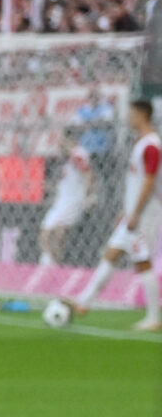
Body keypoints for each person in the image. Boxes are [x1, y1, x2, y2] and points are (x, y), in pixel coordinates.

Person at [65, 97, 161, 329]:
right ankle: (84, 301)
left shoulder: (151, 145)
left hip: (146, 212)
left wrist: (136, 212)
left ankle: (153, 317)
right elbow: (137, 183)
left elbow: (150, 181)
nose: (128, 118)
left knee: (142, 262)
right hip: (133, 212)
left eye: (131, 113)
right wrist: (125, 211)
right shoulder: (141, 143)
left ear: (141, 114)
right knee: (111, 253)